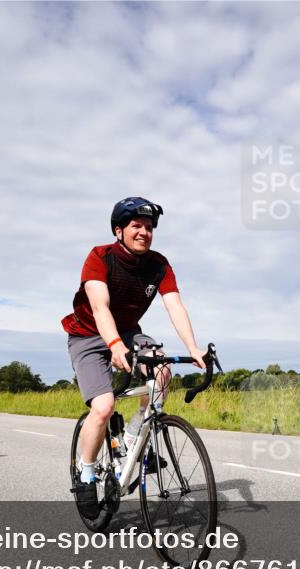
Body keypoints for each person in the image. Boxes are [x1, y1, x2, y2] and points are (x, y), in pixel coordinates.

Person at [62, 196, 205, 519]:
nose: (144, 232)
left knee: (163, 371)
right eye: (136, 226)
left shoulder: (159, 264)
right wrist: (113, 345)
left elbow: (175, 306)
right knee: (103, 406)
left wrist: (193, 348)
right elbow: (99, 307)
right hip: (87, 335)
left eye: (149, 227)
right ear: (119, 230)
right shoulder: (100, 257)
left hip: (128, 333)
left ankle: (132, 437)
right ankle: (86, 474)